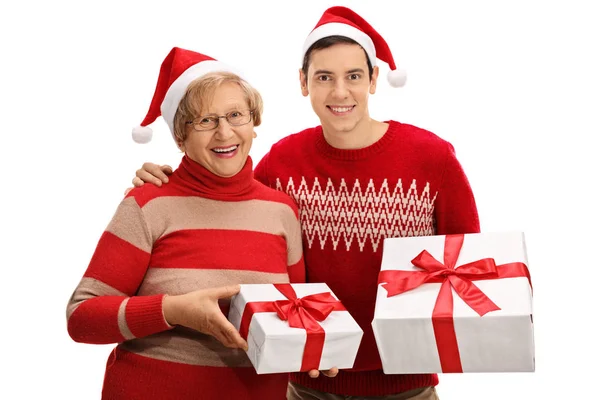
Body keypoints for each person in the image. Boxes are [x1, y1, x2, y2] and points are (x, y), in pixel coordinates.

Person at [131, 6, 480, 400]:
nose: (340, 92)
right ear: (303, 82)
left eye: (353, 76)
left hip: (408, 383)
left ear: (374, 80)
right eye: (324, 77)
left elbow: (471, 266)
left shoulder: (432, 159)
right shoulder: (281, 162)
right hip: (305, 383)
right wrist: (167, 182)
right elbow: (225, 208)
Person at [66, 47, 308, 400]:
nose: (224, 133)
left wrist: (315, 352)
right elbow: (82, 317)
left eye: (235, 115)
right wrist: (173, 310)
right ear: (180, 137)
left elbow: (293, 316)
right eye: (205, 121)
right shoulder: (149, 203)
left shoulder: (281, 211)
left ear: (254, 123)